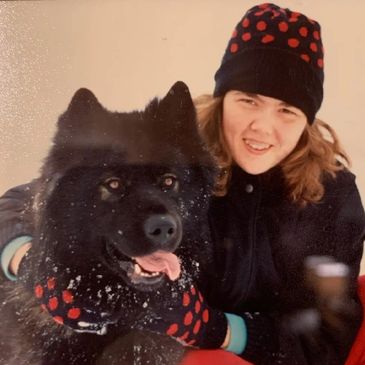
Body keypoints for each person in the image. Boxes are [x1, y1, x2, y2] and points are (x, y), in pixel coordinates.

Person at [0, 3, 364, 364]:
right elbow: (34, 199)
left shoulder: (332, 197)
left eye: (287, 110)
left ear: (308, 119)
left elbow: (325, 342)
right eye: (248, 100)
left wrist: (216, 328)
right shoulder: (177, 146)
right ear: (225, 98)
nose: (262, 127)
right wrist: (30, 263)